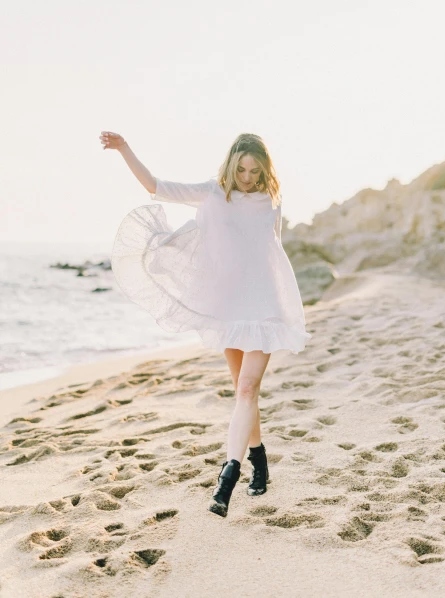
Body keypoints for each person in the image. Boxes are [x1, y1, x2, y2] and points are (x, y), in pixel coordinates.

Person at [100, 130, 312, 517]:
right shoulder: (213, 193)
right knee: (243, 394)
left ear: (264, 170)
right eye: (242, 169)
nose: (247, 177)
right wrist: (124, 148)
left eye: (254, 170)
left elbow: (272, 251)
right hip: (228, 307)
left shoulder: (271, 200)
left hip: (263, 307)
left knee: (248, 388)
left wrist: (284, 304)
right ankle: (259, 462)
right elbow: (155, 185)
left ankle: (228, 475)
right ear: (231, 164)